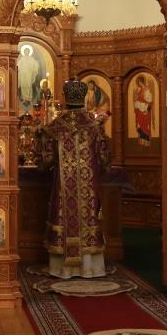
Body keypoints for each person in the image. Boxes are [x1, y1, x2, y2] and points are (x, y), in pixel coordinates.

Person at [35, 78, 111, 279]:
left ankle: (62, 269)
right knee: (89, 215)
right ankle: (90, 267)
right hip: (88, 186)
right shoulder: (94, 126)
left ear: (66, 99)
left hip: (63, 186)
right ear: (83, 98)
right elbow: (104, 157)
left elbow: (45, 160)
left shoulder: (55, 127)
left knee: (62, 211)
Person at [132, 75, 154, 147]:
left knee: (145, 126)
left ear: (142, 82)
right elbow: (138, 99)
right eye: (138, 82)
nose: (139, 84)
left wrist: (146, 109)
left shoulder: (147, 90)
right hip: (139, 111)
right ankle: (141, 141)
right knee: (140, 126)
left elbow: (149, 101)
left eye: (140, 82)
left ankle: (146, 141)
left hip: (144, 110)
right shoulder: (140, 90)